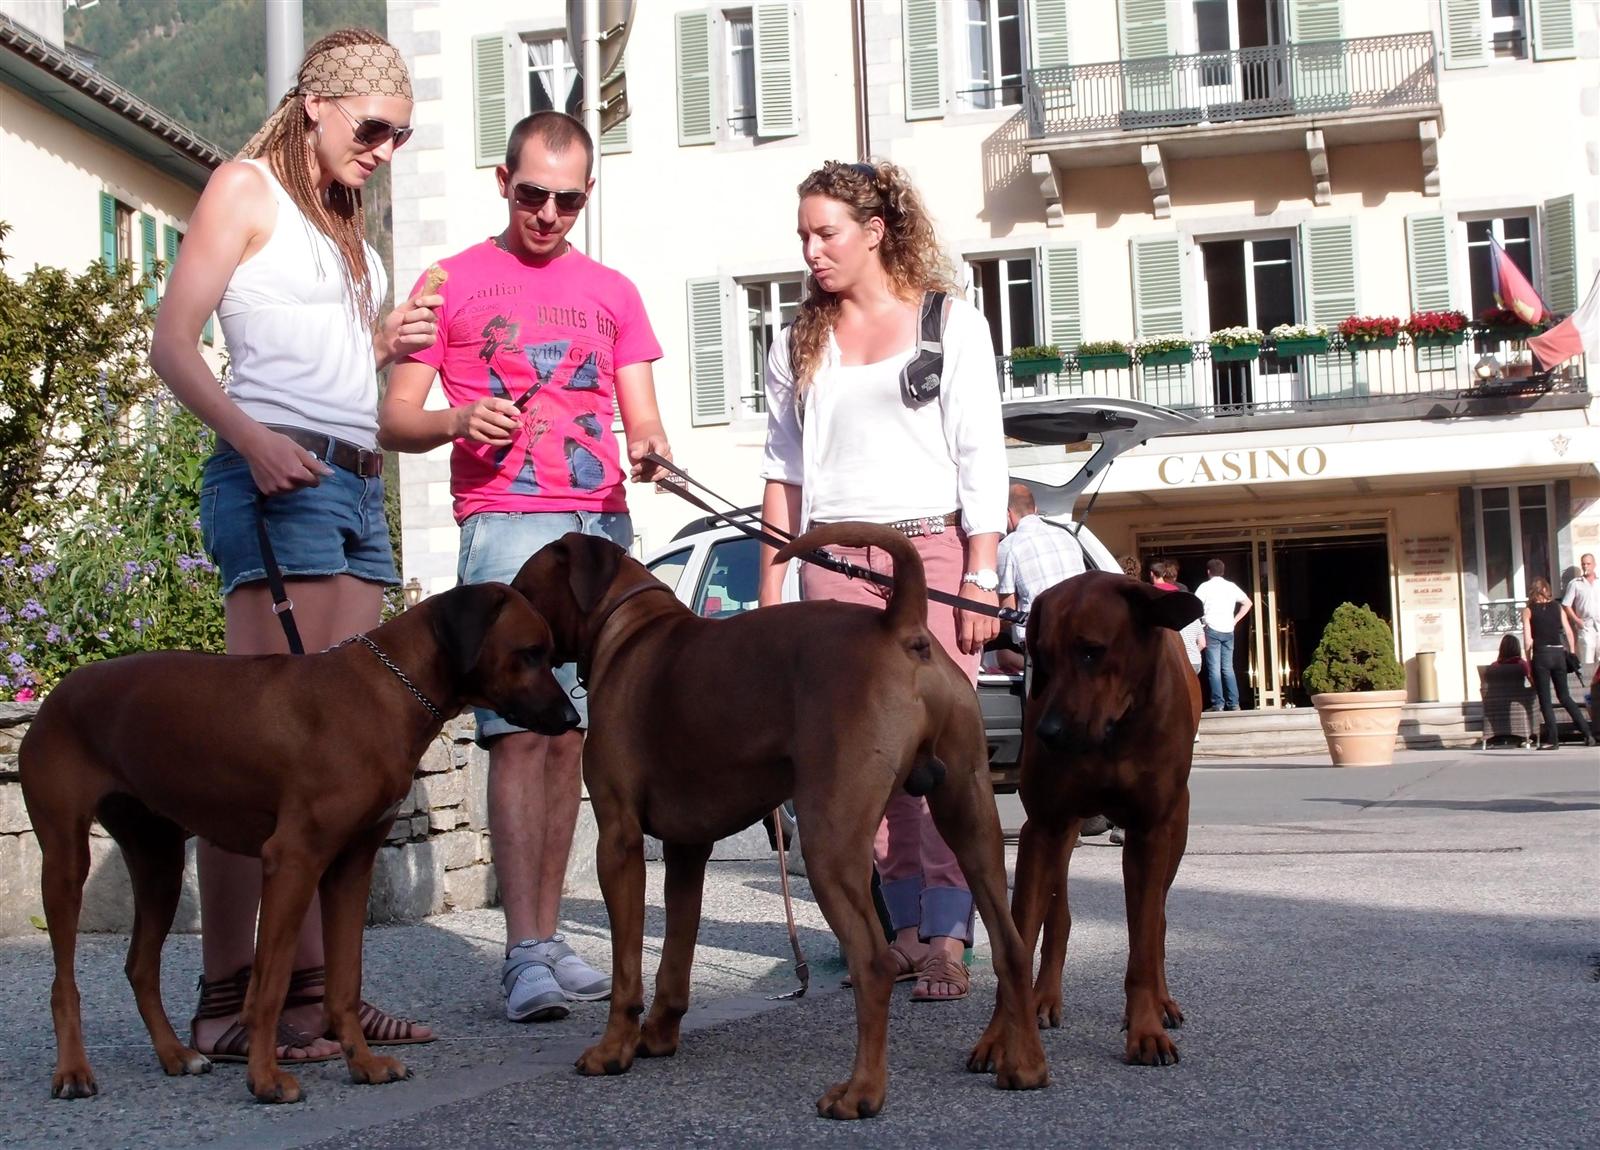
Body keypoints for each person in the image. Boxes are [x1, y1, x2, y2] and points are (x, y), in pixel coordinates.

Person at [150, 28, 436, 1060]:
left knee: (337, 761)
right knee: (260, 762)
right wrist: (252, 440)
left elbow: (314, 355)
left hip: (354, 487)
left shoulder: (344, 222)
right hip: (279, 478)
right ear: (316, 101)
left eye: (400, 137)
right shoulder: (245, 189)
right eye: (374, 128)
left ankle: (322, 997)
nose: (384, 150)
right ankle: (230, 1000)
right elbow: (172, 344)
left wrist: (380, 344)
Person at [380, 111, 670, 1022]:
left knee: (574, 735)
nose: (548, 214)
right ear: (503, 182)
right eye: (534, 194)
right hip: (507, 524)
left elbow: (642, 416)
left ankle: (546, 940)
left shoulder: (613, 290)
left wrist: (652, 448)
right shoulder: (451, 280)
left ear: (588, 196)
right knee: (517, 734)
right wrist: (458, 421)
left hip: (598, 527)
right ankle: (523, 952)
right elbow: (395, 417)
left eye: (568, 201)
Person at [758, 159, 1006, 1003]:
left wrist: (982, 573)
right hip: (831, 565)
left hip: (928, 556)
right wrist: (772, 593)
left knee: (938, 752)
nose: (811, 251)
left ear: (874, 231)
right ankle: (900, 928)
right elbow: (783, 474)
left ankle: (950, 936)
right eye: (803, 236)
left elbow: (981, 453)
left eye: (826, 233)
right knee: (864, 760)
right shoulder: (797, 341)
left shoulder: (949, 323)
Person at [994, 483, 1084, 674]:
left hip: (1042, 646)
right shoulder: (1068, 537)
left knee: (1001, 655)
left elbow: (1008, 613)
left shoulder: (1008, 547)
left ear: (1007, 513)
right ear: (1035, 509)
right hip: (1079, 640)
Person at [1521, 577, 1596, 749]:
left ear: (1533, 592)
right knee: (1565, 696)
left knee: (1545, 700)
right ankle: (1588, 734)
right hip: (1558, 654)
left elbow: (1527, 641)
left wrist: (1529, 662)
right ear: (1547, 590)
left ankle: (1553, 740)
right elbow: (1568, 632)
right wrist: (1571, 652)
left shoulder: (1528, 610)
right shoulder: (1557, 607)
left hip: (1541, 655)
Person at [1196, 558, 1251, 712]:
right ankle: (1234, 703)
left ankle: (1218, 704)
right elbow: (1248, 603)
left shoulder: (1205, 587)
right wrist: (1235, 620)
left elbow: (1195, 605)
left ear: (1208, 572)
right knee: (1228, 668)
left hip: (1211, 629)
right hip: (1228, 630)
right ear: (1223, 571)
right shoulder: (1231, 586)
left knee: (1214, 669)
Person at [1561, 553, 1598, 665]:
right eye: (1583, 564)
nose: (1586, 566)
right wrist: (1576, 620)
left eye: (1588, 564)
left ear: (1594, 565)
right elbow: (1566, 604)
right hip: (1586, 627)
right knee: (1587, 661)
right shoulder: (1575, 584)